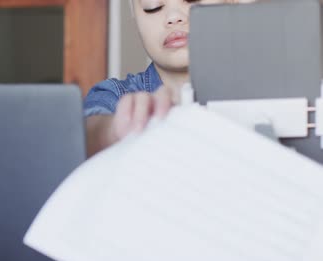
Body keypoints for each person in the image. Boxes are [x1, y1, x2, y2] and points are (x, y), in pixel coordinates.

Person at [84, 0, 250, 157]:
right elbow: (85, 134)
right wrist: (114, 129)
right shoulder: (117, 95)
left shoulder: (266, 91)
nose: (173, 17)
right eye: (153, 6)